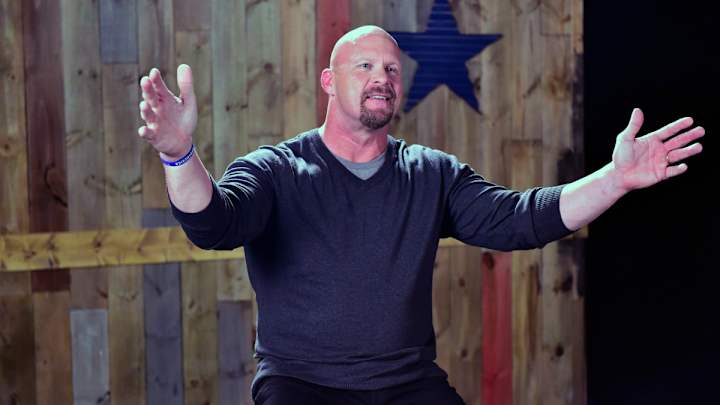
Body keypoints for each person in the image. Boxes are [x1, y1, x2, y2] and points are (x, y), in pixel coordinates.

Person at [137, 25, 705, 405]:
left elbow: (520, 219)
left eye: (391, 69)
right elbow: (213, 224)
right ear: (330, 82)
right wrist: (178, 154)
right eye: (365, 65)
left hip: (407, 384)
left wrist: (614, 178)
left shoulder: (430, 173)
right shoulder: (277, 170)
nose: (382, 78)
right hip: (301, 384)